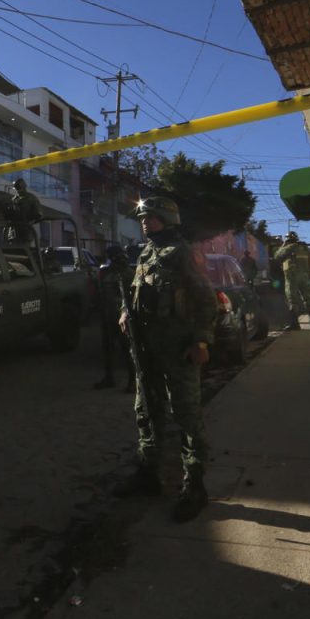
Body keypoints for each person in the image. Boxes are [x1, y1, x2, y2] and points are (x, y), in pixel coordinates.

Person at [115, 197, 217, 522]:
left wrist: (201, 340)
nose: (145, 222)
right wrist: (123, 312)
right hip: (147, 350)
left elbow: (206, 299)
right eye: (143, 217)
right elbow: (138, 292)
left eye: (152, 217)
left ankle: (195, 487)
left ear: (168, 219)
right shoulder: (145, 253)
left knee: (186, 415)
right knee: (146, 410)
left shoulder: (183, 253)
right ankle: (148, 475)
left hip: (178, 348)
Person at [92, 244, 132, 391]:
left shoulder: (127, 272)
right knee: (108, 349)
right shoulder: (104, 271)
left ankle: (133, 382)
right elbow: (100, 292)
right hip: (107, 315)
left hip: (122, 317)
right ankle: (109, 378)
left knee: (127, 349)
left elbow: (131, 296)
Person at [272, 232, 310, 331]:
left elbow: (277, 256)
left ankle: (295, 324)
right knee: (308, 300)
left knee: (292, 301)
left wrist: (283, 245)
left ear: (287, 240)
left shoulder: (287, 248)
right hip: (304, 276)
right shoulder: (304, 248)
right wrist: (307, 271)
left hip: (291, 277)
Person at [6, 178, 43, 244]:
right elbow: (8, 216)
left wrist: (29, 223)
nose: (18, 189)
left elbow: (39, 215)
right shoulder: (13, 199)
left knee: (23, 250)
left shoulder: (31, 198)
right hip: (13, 233)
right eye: (16, 187)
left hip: (25, 232)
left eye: (18, 187)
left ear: (23, 186)